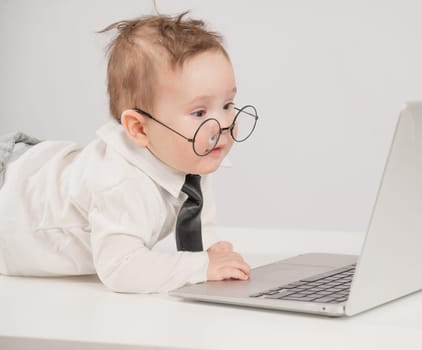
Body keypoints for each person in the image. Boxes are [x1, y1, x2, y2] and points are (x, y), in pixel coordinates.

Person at [0, 12, 258, 293]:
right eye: (199, 112)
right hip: (11, 201)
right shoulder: (119, 183)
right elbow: (120, 268)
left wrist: (211, 250)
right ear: (139, 128)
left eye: (228, 104)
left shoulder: (193, 156)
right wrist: (199, 267)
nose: (222, 124)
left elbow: (198, 217)